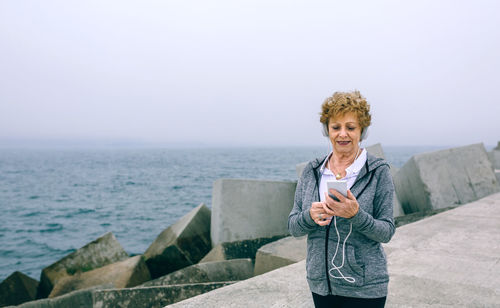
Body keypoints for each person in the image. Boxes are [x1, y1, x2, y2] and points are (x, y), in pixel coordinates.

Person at [288, 91, 395, 308]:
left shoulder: (378, 172)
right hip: (321, 286)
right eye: (336, 127)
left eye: (351, 127)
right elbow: (293, 227)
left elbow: (386, 231)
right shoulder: (312, 171)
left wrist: (356, 215)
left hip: (366, 288)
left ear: (362, 131)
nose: (342, 134)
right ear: (327, 130)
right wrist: (310, 216)